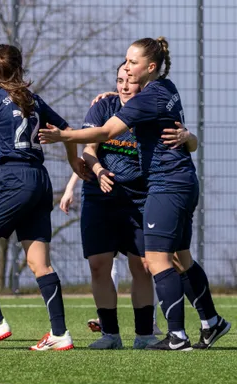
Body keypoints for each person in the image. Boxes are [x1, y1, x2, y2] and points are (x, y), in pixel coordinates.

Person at [39, 37, 231, 351]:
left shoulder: (149, 97)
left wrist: (63, 135)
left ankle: (177, 336)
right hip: (181, 181)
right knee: (181, 257)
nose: (126, 70)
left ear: (150, 67)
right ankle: (211, 321)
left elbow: (105, 132)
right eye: (124, 65)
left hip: (166, 184)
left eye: (132, 63)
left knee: (155, 260)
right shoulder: (166, 87)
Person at [0, 44, 87, 351]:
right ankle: (60, 333)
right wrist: (73, 161)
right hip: (40, 181)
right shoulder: (34, 100)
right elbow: (67, 130)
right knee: (39, 263)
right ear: (20, 68)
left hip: (14, 180)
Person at [59, 62, 179, 349]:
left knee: (143, 266)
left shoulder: (149, 110)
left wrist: (188, 137)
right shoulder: (103, 106)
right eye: (120, 80)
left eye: (130, 80)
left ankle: (145, 335)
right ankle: (110, 335)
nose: (124, 86)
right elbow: (89, 149)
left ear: (143, 81)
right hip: (100, 197)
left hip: (140, 198)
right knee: (99, 265)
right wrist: (99, 171)